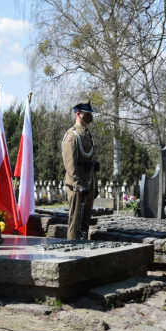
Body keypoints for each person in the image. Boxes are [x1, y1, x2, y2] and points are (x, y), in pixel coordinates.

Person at [62, 102, 98, 240]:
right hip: (77, 185)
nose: (90, 116)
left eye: (90, 113)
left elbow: (88, 160)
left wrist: (94, 185)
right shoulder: (72, 135)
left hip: (88, 184)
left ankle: (83, 248)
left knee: (85, 223)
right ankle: (71, 249)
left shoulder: (88, 134)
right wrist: (78, 185)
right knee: (75, 221)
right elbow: (70, 163)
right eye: (87, 113)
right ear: (78, 114)